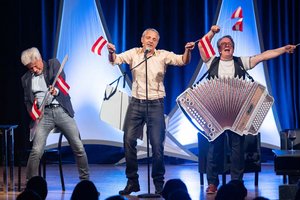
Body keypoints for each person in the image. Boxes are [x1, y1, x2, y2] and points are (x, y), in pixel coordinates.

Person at [198, 25, 296, 194]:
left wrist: (283, 49)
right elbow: (202, 44)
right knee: (214, 149)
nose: (227, 45)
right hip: (216, 114)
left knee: (237, 149)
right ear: (219, 49)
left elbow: (264, 56)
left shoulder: (240, 62)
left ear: (233, 48)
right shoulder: (211, 62)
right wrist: (213, 32)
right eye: (223, 44)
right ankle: (212, 183)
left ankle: (236, 182)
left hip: (237, 113)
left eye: (229, 43)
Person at [107, 28, 195, 195]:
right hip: (136, 104)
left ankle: (159, 184)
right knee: (128, 141)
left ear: (157, 42)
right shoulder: (134, 53)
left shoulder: (162, 55)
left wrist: (187, 51)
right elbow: (116, 60)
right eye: (148, 37)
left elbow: (183, 61)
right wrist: (111, 52)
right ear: (142, 39)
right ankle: (132, 181)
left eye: (154, 39)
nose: (150, 41)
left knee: (156, 146)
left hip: (155, 105)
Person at [21, 47, 90, 182]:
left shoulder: (53, 65)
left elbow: (61, 80)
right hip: (43, 115)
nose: (34, 70)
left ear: (39, 59)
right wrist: (34, 114)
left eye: (35, 66)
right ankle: (31, 184)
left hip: (61, 110)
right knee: (36, 151)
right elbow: (27, 101)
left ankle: (85, 182)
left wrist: (56, 90)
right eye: (30, 68)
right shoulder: (26, 79)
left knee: (78, 147)